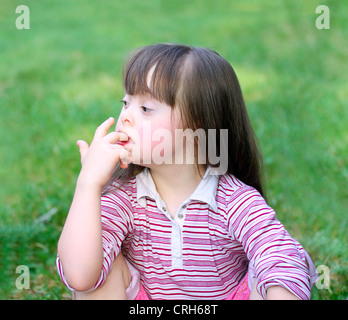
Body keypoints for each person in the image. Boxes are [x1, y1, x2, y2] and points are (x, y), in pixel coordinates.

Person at [56, 43, 317, 300]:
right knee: (101, 264)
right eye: (126, 102)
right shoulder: (123, 199)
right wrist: (88, 185)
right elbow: (80, 277)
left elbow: (283, 260)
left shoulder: (235, 201)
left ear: (199, 126)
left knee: (279, 267)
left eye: (146, 108)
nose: (126, 117)